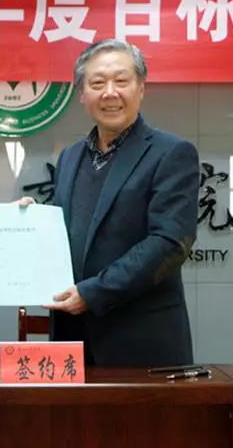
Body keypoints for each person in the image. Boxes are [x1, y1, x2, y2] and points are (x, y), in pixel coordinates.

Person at [27, 39, 199, 366]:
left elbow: (169, 242)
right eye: (97, 83)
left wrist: (92, 293)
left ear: (141, 88)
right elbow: (65, 232)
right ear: (82, 94)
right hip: (72, 337)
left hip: (141, 340)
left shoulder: (171, 153)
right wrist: (30, 222)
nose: (110, 93)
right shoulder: (70, 156)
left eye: (121, 81)